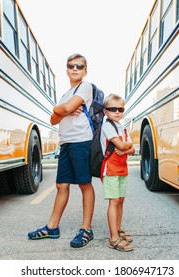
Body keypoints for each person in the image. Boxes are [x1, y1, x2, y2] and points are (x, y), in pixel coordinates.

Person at [28, 54, 95, 248]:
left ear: (85, 71)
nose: (75, 69)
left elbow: (65, 109)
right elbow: (53, 119)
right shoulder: (66, 94)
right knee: (61, 186)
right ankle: (52, 227)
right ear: (66, 69)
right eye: (71, 66)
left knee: (84, 184)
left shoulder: (86, 87)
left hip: (81, 141)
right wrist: (62, 109)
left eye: (79, 66)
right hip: (65, 143)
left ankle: (86, 230)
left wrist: (61, 109)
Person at [100, 94, 135, 252]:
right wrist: (127, 146)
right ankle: (113, 238)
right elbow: (122, 146)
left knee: (120, 200)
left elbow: (132, 150)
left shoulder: (123, 127)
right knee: (114, 202)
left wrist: (126, 147)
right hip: (111, 170)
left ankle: (118, 230)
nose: (117, 112)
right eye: (112, 109)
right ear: (105, 111)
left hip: (123, 169)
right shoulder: (107, 126)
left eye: (120, 109)